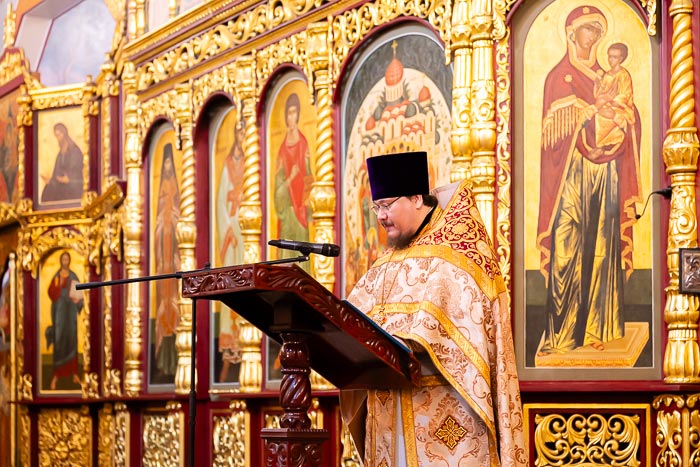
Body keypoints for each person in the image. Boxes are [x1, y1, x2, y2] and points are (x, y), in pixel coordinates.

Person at [341, 151, 526, 467]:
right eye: (376, 207)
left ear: (416, 198)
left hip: (446, 416)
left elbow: (473, 332)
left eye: (387, 205)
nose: (381, 216)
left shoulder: (459, 252)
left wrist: (412, 337)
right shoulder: (387, 262)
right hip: (389, 412)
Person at [536, 6, 642, 356]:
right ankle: (562, 334)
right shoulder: (558, 77)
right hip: (570, 173)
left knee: (602, 246)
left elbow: (630, 114)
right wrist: (583, 119)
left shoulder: (608, 76)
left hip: (604, 170)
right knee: (566, 245)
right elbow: (551, 139)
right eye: (587, 29)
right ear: (571, 33)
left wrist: (621, 119)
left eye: (597, 30)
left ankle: (600, 328)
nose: (593, 36)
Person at [273, 93, 312, 265]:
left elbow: (309, 177)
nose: (291, 117)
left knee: (302, 259)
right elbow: (278, 191)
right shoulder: (282, 150)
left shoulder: (303, 144)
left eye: (294, 112)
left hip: (300, 212)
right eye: (289, 113)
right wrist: (290, 178)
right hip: (288, 214)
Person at [153, 143, 181, 380]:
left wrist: (174, 217)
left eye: (171, 163)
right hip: (163, 259)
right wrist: (163, 221)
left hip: (174, 257)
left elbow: (179, 212)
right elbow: (158, 221)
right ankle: (163, 358)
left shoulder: (176, 189)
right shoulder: (162, 189)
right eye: (166, 164)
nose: (168, 167)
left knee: (175, 302)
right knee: (163, 302)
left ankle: (177, 357)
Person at [45, 251, 83, 390]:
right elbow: (51, 292)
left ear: (69, 261)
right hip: (60, 314)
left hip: (70, 313)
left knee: (71, 339)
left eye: (67, 259)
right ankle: (56, 375)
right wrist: (58, 286)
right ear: (61, 261)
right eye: (63, 259)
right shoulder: (57, 276)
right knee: (59, 340)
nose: (65, 261)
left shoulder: (73, 276)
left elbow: (79, 294)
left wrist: (78, 300)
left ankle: (75, 374)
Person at [592, 42, 635, 148]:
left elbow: (625, 94)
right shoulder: (607, 75)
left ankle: (605, 145)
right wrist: (597, 85)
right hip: (605, 104)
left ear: (621, 59)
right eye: (610, 56)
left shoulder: (624, 75)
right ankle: (599, 146)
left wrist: (613, 101)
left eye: (614, 57)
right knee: (596, 115)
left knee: (605, 116)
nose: (611, 60)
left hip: (620, 107)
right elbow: (600, 94)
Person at [41, 123, 84, 203]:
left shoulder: (74, 150)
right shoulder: (61, 152)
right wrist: (51, 180)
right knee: (48, 189)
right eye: (56, 136)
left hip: (73, 183)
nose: (58, 138)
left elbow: (76, 168)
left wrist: (69, 178)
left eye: (59, 135)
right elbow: (57, 170)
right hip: (61, 182)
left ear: (64, 134)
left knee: (52, 190)